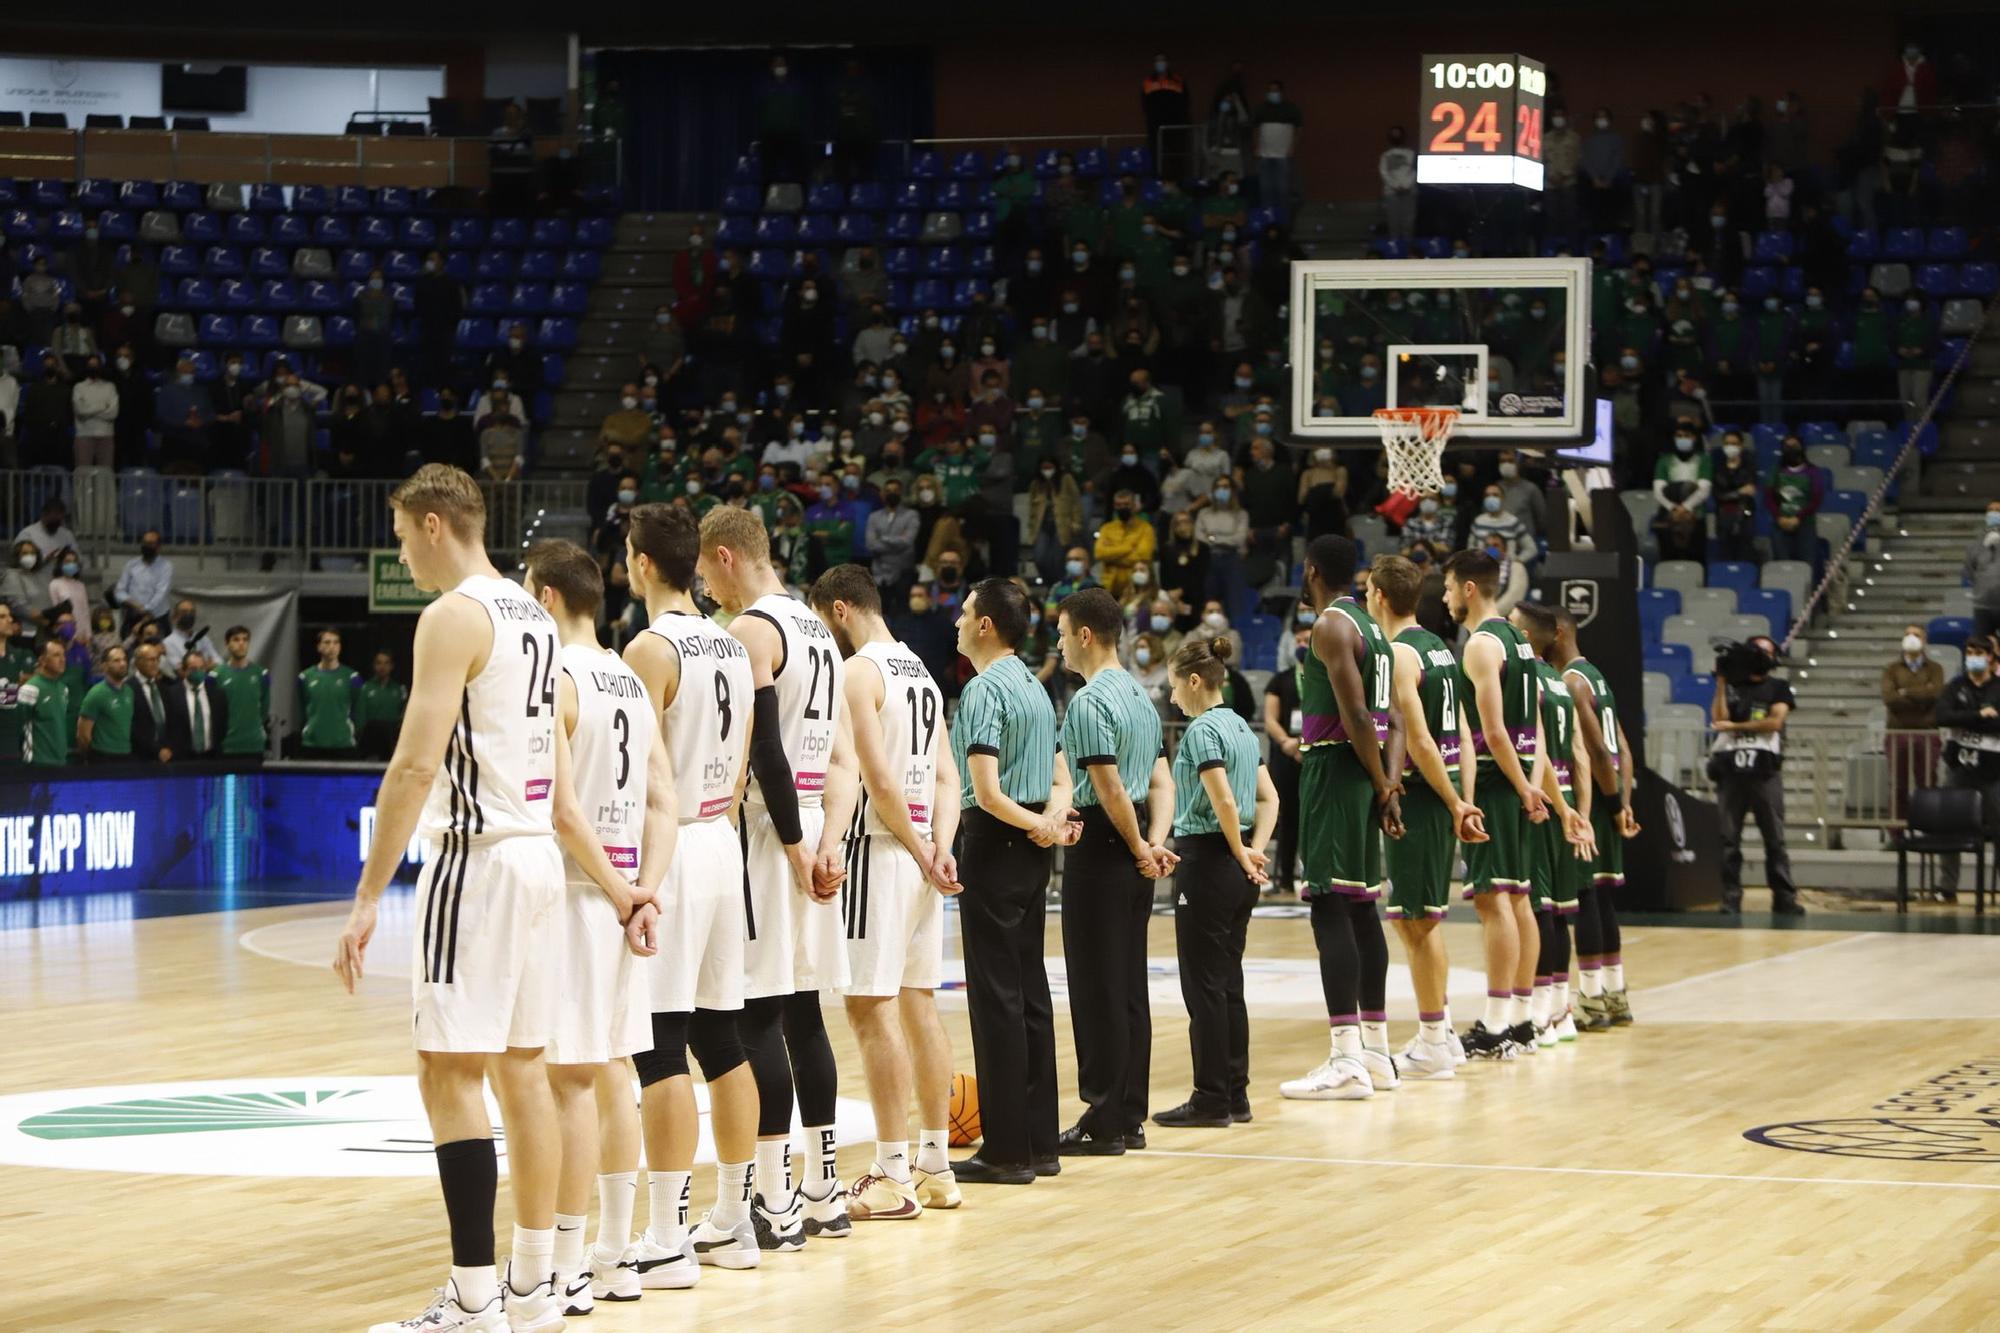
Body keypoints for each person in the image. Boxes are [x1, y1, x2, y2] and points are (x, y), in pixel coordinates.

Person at [334, 466, 638, 1333]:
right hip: (540, 857)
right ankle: (533, 1287)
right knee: (524, 1072)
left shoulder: (453, 615)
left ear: (435, 524)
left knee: (449, 1072)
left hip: (477, 861)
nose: (401, 553)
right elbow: (559, 783)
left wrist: (364, 899)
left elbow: (416, 765)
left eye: (401, 535)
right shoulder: (536, 617)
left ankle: (474, 1299)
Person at [696, 506, 858, 1249]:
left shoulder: (752, 630)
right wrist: (831, 839)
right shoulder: (820, 630)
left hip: (771, 831)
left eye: (704, 571)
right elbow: (839, 758)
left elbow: (767, 751)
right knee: (805, 1014)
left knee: (756, 1016)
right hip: (818, 825)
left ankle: (774, 1200)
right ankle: (823, 1190)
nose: (703, 586)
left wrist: (794, 844)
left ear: (726, 556)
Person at [521, 539, 676, 1314]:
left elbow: (561, 809)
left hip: (584, 897)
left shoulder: (557, 677)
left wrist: (620, 892)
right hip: (621, 895)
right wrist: (646, 888)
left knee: (570, 1084)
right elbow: (662, 802)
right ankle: (615, 1254)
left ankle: (567, 1260)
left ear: (546, 599)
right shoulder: (626, 677)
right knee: (616, 1073)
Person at [618, 502, 767, 1283]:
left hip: (671, 845)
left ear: (643, 562)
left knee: (659, 1043)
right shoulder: (733, 645)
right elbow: (741, 765)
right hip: (722, 841)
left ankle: (668, 1235)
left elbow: (633, 773)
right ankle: (734, 1219)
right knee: (722, 1037)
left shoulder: (649, 647)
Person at [808, 564, 964, 1218]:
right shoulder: (920, 670)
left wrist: (918, 848)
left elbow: (878, 779)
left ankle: (892, 1170)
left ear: (840, 609)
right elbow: (949, 779)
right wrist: (941, 847)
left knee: (872, 1011)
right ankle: (936, 1161)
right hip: (925, 853)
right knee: (918, 1004)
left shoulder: (858, 672)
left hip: (883, 850)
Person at [946, 579, 1073, 1182]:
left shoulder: (982, 691)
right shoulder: (1035, 688)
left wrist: (1035, 825)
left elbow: (987, 792)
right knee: (1029, 991)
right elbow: (1058, 774)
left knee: (995, 996)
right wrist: (1047, 823)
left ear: (987, 626)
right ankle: (1040, 1142)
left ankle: (1006, 1150)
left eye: (965, 614)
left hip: (996, 844)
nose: (958, 624)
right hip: (1030, 848)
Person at [1280, 536, 1402, 1100]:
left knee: (1330, 905)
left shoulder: (1331, 625)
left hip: (1335, 768)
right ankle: (1375, 1052)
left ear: (1310, 572)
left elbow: (1355, 711)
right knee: (1361, 907)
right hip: (1365, 772)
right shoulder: (1374, 627)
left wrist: (1382, 783)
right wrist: (1388, 784)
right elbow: (1392, 717)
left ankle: (1346, 1058)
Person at [1054, 587, 1173, 1153]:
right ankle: (1129, 1114)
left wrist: (1135, 845)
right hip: (1134, 840)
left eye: (1060, 631)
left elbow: (1107, 787)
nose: (1057, 641)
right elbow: (1157, 783)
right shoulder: (1142, 698)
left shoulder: (1088, 702)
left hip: (1104, 844)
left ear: (1083, 635)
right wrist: (1152, 841)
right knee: (1127, 983)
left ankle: (1102, 1116)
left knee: (1096, 983)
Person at [1154, 637, 1279, 1128]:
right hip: (1236, 863)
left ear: (1193, 681)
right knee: (1229, 983)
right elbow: (1268, 799)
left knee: (1203, 985)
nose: (1171, 698)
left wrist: (1234, 848)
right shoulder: (1244, 731)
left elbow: (1224, 801)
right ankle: (1235, 1093)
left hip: (1207, 859)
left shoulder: (1204, 731)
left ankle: (1209, 1098)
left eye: (1173, 687)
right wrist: (1254, 850)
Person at [1367, 557, 1484, 1078]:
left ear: (1380, 598)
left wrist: (1456, 802)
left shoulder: (1397, 653)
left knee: (1418, 918)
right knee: (1421, 916)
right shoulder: (1441, 648)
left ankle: (1434, 1038)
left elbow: (1417, 738)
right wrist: (1462, 795)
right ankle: (1444, 1034)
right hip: (1443, 792)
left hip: (1420, 792)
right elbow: (1462, 734)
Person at [1442, 549, 1551, 1059]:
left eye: (1447, 589)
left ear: (1468, 589)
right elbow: (1537, 728)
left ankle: (1496, 1022)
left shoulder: (1482, 644)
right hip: (1518, 778)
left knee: (1494, 899)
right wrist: (1533, 784)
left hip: (1492, 779)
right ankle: (1523, 1018)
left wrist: (1523, 787)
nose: (1443, 598)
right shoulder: (1520, 641)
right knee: (1520, 898)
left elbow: (1494, 732)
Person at [1511, 602, 1597, 1047]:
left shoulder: (1529, 684)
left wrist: (1559, 808)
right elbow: (1579, 754)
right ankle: (1562, 1009)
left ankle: (1541, 1012)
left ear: (1526, 638)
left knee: (1540, 908)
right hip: (1567, 806)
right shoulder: (1562, 686)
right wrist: (1581, 812)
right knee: (1560, 912)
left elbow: (1540, 754)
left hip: (1544, 807)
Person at [1552, 609, 1640, 1030]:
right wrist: (1623, 801)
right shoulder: (1594, 675)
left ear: (1558, 633)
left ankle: (1590, 999)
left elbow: (1600, 751)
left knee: (1586, 895)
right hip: (1611, 797)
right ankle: (1615, 993)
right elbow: (1622, 743)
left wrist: (1606, 803)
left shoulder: (1569, 681)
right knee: (1602, 897)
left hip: (1595, 799)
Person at [1710, 635, 1802, 915]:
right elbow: (1718, 718)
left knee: (1774, 838)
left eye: (1766, 650)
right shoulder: (1734, 687)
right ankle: (1730, 896)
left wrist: (1737, 726)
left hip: (1764, 772)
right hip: (1731, 772)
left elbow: (1775, 722)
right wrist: (1722, 682)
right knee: (1728, 839)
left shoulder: (1778, 687)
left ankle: (1784, 896)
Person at [1936, 635, 2000, 903]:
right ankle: (1947, 887)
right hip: (1959, 768)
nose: (1972, 656)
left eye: (1978, 652)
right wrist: (1978, 715)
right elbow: (1942, 716)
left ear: (1990, 658)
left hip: (1994, 772)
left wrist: (1966, 721)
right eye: (1969, 651)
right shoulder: (1955, 686)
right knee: (1949, 827)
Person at [1261, 609, 1313, 896]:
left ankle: (1312, 875)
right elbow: (1270, 719)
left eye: (1307, 640)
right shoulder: (1279, 680)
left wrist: (1306, 742)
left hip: (1314, 753)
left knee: (1312, 816)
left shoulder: (1324, 677)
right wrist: (1287, 743)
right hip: (1285, 756)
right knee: (1287, 815)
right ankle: (1282, 876)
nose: (1302, 645)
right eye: (1298, 641)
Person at [1883, 624, 1944, 824]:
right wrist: (1921, 692)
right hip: (1897, 732)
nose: (1911, 638)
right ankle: (1897, 831)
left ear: (1924, 640)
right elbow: (1890, 699)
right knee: (1897, 784)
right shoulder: (1891, 669)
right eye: (1907, 634)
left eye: (1916, 635)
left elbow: (1935, 695)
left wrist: (1905, 692)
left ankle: (1930, 826)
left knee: (1927, 782)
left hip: (1927, 733)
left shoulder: (1935, 669)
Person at [1652, 425, 1715, 564]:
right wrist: (1673, 509)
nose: (1682, 439)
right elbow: (1658, 491)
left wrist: (1686, 507)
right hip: (1669, 516)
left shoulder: (1703, 459)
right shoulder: (1664, 460)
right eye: (1679, 436)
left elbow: (1704, 489)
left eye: (1687, 436)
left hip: (1695, 515)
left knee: (1695, 559)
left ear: (1694, 438)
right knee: (1669, 559)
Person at [297, 629, 360, 759]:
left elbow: (357, 709)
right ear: (319, 647)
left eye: (336, 643)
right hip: (313, 744)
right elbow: (302, 706)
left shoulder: (352, 677)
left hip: (343, 744)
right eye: (327, 642)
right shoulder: (305, 677)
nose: (332, 647)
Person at [212, 625, 270, 764]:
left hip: (254, 744)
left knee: (254, 785)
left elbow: (264, 708)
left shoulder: (261, 674)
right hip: (227, 745)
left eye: (245, 639)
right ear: (227, 644)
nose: (241, 643)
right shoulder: (215, 676)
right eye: (236, 640)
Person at [1766, 437, 1824, 565]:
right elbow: (1769, 497)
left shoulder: (1813, 472)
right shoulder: (1776, 471)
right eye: (1787, 446)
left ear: (1802, 447)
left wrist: (1798, 517)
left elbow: (1816, 499)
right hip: (1780, 525)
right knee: (1782, 565)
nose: (1791, 449)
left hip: (1805, 525)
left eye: (1794, 446)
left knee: (1806, 565)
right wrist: (1779, 517)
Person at [14, 637, 70, 766]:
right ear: (42, 660)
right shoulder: (30, 689)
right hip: (37, 762)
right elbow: (19, 727)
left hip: (60, 761)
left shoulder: (63, 689)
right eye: (56, 655)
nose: (62, 660)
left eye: (63, 655)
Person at [1093, 490, 1155, 601]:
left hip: (1135, 587)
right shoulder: (1107, 528)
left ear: (1134, 505)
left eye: (1126, 504)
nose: (1122, 508)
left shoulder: (1146, 529)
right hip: (1109, 587)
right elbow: (1099, 553)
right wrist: (1129, 547)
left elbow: (1143, 557)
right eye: (1119, 505)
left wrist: (1111, 556)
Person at [1251, 81, 1304, 211]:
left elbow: (1299, 129)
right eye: (1270, 91)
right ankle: (1267, 214)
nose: (1273, 94)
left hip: (1283, 154)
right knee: (1265, 188)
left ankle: (1282, 215)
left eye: (1275, 91)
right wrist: (1257, 146)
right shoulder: (1261, 108)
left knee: (1282, 187)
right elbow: (1255, 129)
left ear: (1281, 92)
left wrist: (1292, 147)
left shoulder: (1291, 109)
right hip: (1264, 154)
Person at [75, 643, 134, 762]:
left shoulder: (129, 692)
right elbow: (83, 735)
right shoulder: (96, 693)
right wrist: (91, 756)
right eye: (116, 661)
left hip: (126, 753)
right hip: (103, 755)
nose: (122, 664)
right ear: (104, 666)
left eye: (124, 660)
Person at [166, 650, 228, 759]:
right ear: (184, 670)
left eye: (201, 668)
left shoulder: (217, 694)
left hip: (212, 757)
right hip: (182, 758)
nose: (198, 672)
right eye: (193, 669)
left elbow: (222, 725)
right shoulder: (171, 695)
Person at [127, 641, 175, 763]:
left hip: (167, 755)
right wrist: (156, 749)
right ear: (138, 663)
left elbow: (172, 722)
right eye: (150, 660)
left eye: (157, 660)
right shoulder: (128, 689)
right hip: (140, 757)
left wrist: (168, 748)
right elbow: (131, 727)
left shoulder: (164, 687)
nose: (155, 664)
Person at [358, 650, 411, 761]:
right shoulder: (365, 688)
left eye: (386, 663)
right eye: (379, 663)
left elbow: (404, 716)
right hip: (370, 737)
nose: (382, 667)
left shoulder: (399, 689)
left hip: (391, 738)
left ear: (391, 666)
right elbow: (360, 716)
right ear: (374, 666)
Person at [113, 530, 174, 627]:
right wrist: (136, 605)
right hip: (133, 615)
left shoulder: (166, 566)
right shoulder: (131, 564)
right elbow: (119, 591)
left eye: (150, 543)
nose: (146, 546)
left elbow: (161, 593)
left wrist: (146, 609)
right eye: (144, 543)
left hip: (157, 616)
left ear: (158, 547)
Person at [70, 356, 117, 470]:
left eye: (96, 365)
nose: (93, 368)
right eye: (91, 365)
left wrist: (89, 409)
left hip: (106, 435)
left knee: (105, 476)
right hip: (84, 435)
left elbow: (112, 413)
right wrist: (102, 407)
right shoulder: (79, 387)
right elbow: (80, 411)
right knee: (82, 476)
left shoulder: (110, 387)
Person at [1964, 501, 2000, 644]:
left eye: (1998, 510)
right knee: (1982, 645)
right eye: (1991, 510)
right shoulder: (1975, 544)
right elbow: (1969, 572)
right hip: (1983, 605)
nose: (1994, 513)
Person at [160, 597, 222, 676]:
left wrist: (203, 667)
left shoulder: (203, 638)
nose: (188, 615)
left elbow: (219, 663)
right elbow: (181, 671)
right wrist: (207, 665)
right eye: (184, 612)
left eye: (192, 612)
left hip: (210, 681)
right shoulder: (168, 643)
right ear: (174, 617)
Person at [1379, 127, 1417, 246]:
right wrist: (1395, 186)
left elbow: (1416, 171)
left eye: (1398, 134)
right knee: (1393, 221)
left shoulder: (1411, 154)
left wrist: (1407, 185)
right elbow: (1384, 172)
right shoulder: (1385, 155)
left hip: (1409, 191)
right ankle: (1394, 247)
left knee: (1409, 221)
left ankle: (1408, 247)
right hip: (1392, 193)